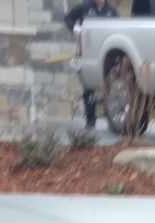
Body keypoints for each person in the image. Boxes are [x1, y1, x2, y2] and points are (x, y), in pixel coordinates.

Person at [65, 0, 119, 128]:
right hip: (87, 53)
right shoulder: (84, 7)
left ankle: (111, 119)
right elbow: (68, 19)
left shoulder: (111, 12)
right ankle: (90, 119)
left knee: (109, 87)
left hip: (107, 55)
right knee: (89, 88)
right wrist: (77, 30)